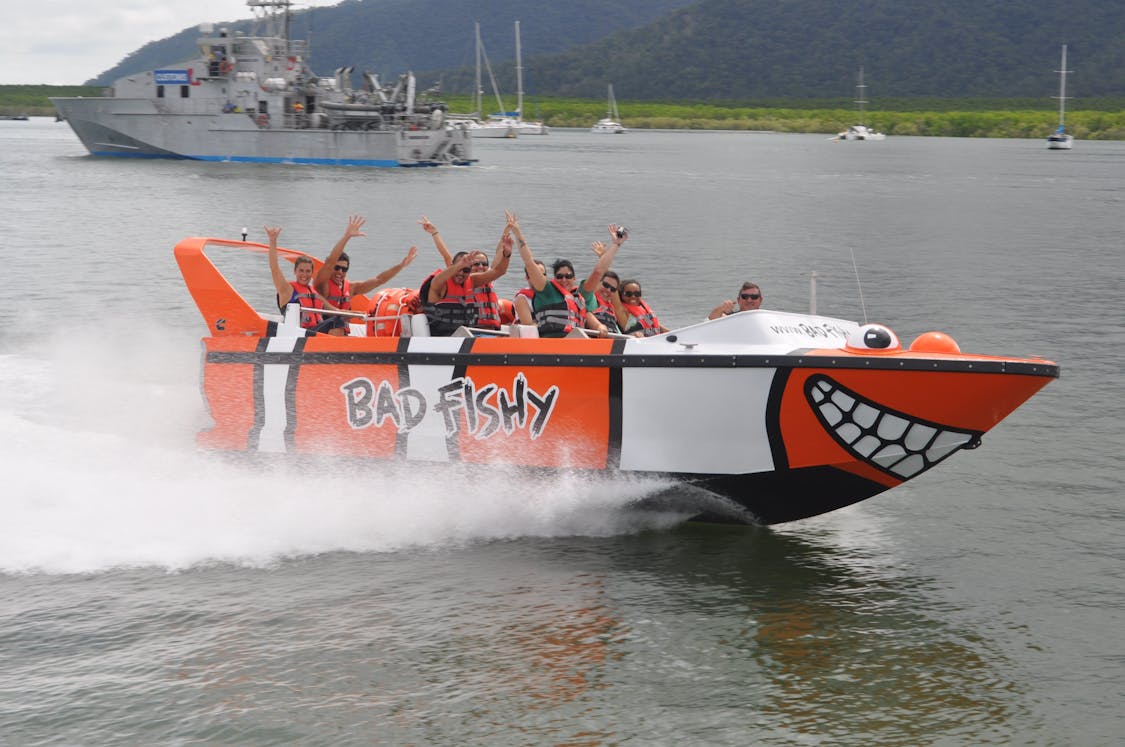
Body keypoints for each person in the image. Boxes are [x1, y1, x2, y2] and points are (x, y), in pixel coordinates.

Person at [510, 214, 625, 338]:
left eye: (568, 276)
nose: (564, 280)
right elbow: (528, 261)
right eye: (559, 276)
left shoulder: (580, 295)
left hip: (575, 343)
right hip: (551, 342)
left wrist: (615, 244)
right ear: (554, 278)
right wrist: (517, 232)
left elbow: (598, 272)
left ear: (574, 279)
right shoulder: (546, 290)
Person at [314, 215, 418, 334]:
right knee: (337, 323)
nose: (340, 272)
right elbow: (329, 262)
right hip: (324, 331)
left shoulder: (351, 288)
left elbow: (379, 279)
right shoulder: (321, 284)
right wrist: (346, 237)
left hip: (343, 331)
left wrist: (401, 266)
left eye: (344, 269)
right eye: (337, 268)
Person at [417, 216, 512, 336]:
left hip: (469, 336)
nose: (462, 273)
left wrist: (506, 254)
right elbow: (445, 262)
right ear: (453, 266)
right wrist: (435, 233)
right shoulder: (440, 283)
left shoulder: (471, 281)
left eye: (466, 270)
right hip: (442, 338)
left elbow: (499, 271)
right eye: (459, 269)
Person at [265, 224, 341, 330]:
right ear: (295, 271)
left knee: (339, 318)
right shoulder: (286, 290)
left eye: (308, 271)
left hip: (317, 334)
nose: (304, 275)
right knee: (336, 322)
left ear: (312, 273)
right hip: (300, 334)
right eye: (301, 271)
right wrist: (273, 241)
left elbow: (335, 311)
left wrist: (359, 314)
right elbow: (274, 269)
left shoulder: (314, 293)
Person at [590, 269, 623, 334]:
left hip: (612, 340)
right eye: (606, 285)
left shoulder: (611, 309)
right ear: (597, 282)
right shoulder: (588, 299)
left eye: (612, 289)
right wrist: (598, 326)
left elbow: (618, 332)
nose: (608, 290)